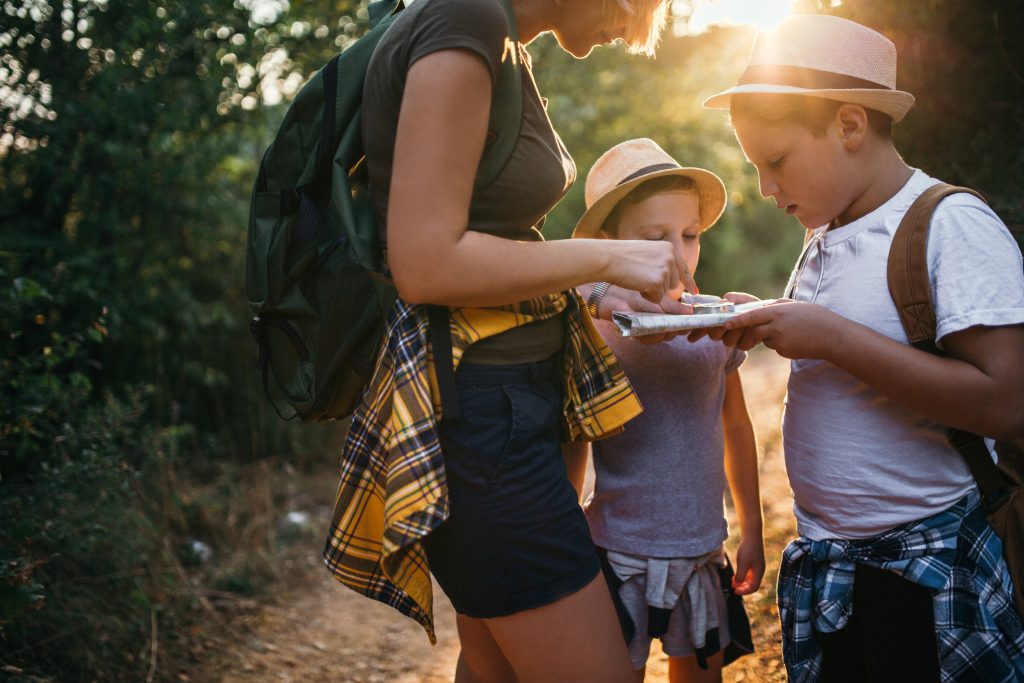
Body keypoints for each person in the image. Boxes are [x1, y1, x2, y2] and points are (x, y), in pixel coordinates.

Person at [322, 0, 696, 681]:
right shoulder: (466, 21)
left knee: (496, 668)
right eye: (637, 6)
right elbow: (426, 262)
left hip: (507, 409)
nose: (633, 25)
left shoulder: (501, 40)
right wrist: (605, 259)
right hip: (481, 423)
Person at [697, 13, 1024, 682]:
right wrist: (760, 318)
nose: (766, 188)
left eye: (777, 162)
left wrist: (831, 337)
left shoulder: (948, 225)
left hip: (923, 578)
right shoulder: (828, 231)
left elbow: (1005, 401)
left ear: (849, 126)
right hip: (834, 573)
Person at [572, 138, 765, 683]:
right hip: (614, 553)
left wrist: (751, 524)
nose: (677, 253)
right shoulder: (595, 326)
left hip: (702, 552)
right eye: (655, 238)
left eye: (690, 234)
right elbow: (574, 437)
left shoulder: (715, 325)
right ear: (609, 244)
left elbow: (737, 424)